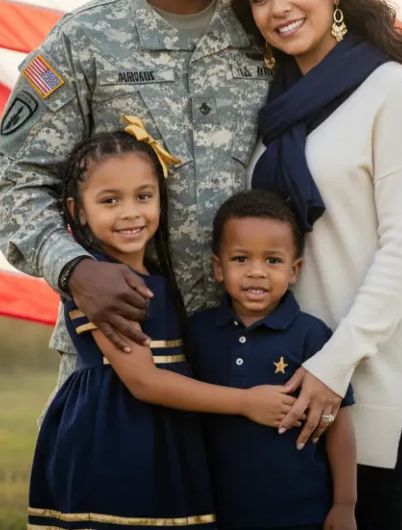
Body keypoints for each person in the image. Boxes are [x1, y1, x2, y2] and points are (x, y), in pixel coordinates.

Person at [0, 0, 272, 391]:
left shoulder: (263, 34)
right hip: (122, 344)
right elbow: (20, 188)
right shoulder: (82, 40)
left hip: (249, 342)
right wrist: (75, 270)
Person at [226, 0, 402, 529]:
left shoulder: (390, 90)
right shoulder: (272, 107)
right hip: (280, 383)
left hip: (363, 378)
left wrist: (333, 365)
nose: (279, 7)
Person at [27, 123, 300, 529]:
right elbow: (145, 383)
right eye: (109, 200)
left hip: (158, 434)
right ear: (77, 211)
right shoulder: (102, 284)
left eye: (143, 196)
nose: (130, 212)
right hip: (117, 440)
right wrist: (246, 402)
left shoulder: (151, 273)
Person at [189, 189, 357, 530]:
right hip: (212, 512)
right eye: (240, 259)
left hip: (300, 514)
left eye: (272, 260)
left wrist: (344, 504)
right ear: (218, 268)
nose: (256, 272)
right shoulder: (196, 332)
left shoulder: (312, 334)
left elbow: (339, 424)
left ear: (294, 270)